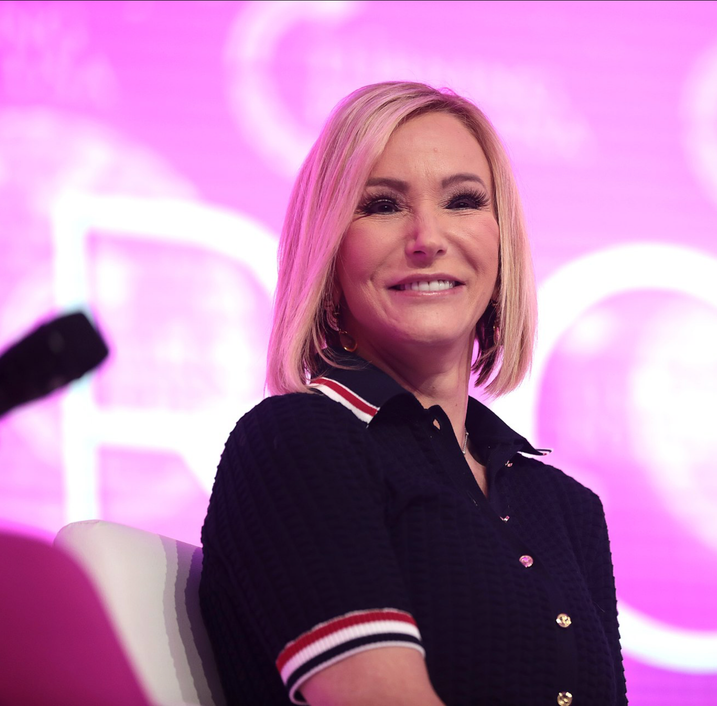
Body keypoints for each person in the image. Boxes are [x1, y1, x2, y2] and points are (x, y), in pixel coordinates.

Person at [199, 81, 627, 706]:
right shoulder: (296, 442)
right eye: (380, 206)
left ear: (502, 242)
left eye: (463, 201)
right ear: (329, 251)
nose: (428, 236)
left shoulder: (566, 509)